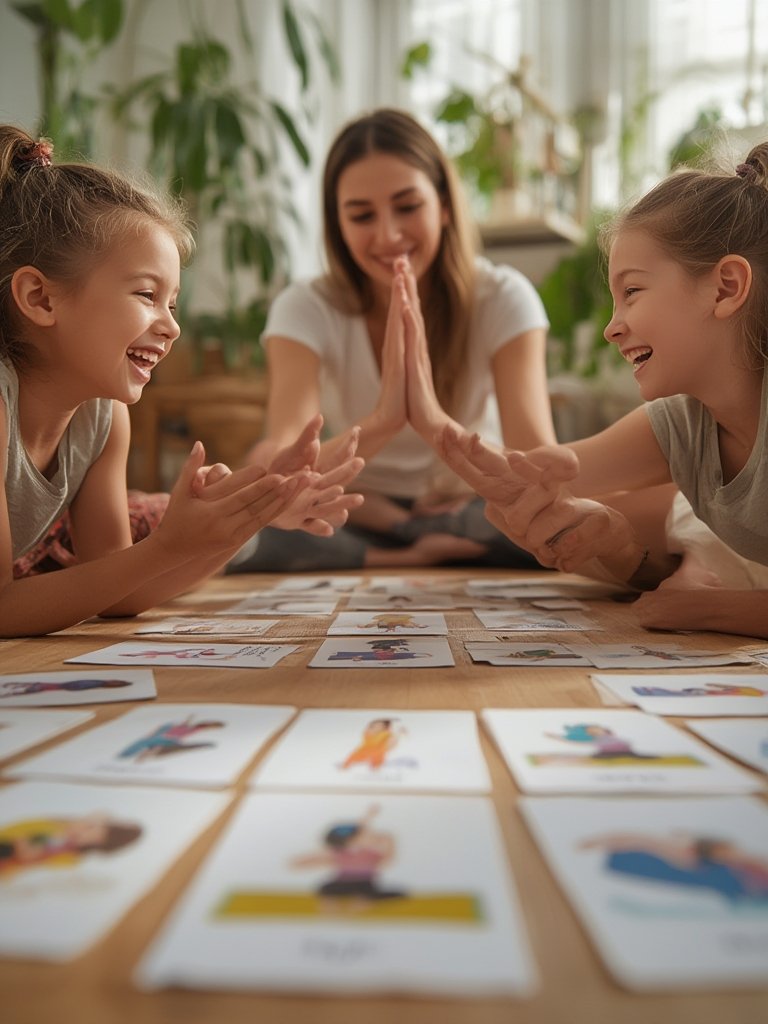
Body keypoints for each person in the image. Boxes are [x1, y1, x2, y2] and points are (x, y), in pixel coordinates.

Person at [0, 125, 363, 637]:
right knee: (155, 518)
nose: (172, 326)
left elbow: (119, 592)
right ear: (40, 298)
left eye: (172, 304)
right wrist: (167, 544)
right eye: (147, 295)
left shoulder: (105, 420)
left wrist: (247, 516)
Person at [432, 142, 768, 639]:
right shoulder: (684, 421)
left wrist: (705, 611)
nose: (613, 328)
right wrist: (501, 479)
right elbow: (549, 471)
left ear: (725, 288)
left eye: (632, 292)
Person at [228, 107, 558, 573]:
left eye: (407, 207)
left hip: (467, 503)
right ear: (337, 225)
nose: (388, 235)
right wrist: (384, 421)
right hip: (352, 509)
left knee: (552, 522)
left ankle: (399, 549)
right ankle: (403, 552)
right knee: (254, 535)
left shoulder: (504, 296)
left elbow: (536, 464)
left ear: (444, 206)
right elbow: (284, 464)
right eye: (361, 215)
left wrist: (444, 444)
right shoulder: (304, 305)